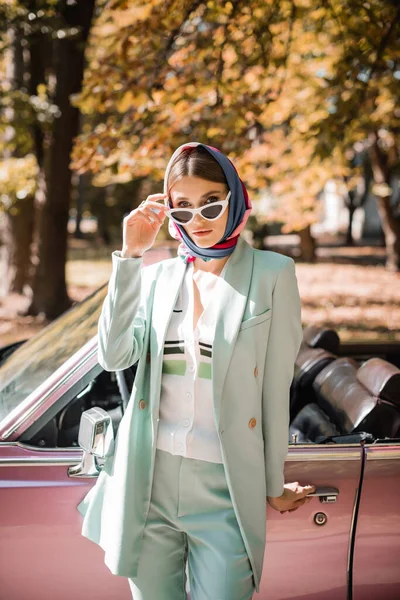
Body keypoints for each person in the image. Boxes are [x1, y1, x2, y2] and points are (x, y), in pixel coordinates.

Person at [77, 142, 316, 600]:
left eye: (210, 202)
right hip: (148, 483)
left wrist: (270, 481)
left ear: (235, 197)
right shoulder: (155, 276)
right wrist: (129, 258)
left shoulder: (273, 274)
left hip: (225, 486)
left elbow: (273, 388)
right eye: (181, 208)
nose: (198, 219)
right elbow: (113, 356)